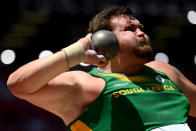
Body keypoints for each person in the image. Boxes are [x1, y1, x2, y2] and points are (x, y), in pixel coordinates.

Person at [7, 5, 196, 131]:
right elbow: (18, 84)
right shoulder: (87, 86)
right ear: (104, 40)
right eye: (130, 29)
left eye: (141, 28)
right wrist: (76, 51)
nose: (141, 33)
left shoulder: (164, 71)